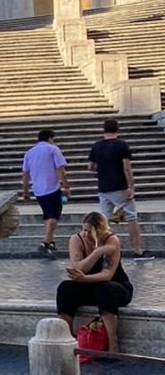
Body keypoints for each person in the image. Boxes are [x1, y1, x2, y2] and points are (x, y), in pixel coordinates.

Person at [56, 211, 133, 353]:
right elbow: (79, 268)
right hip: (90, 286)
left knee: (104, 288)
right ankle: (65, 336)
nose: (84, 234)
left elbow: (107, 275)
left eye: (88, 231)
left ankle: (113, 343)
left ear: (98, 231)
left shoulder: (112, 240)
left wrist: (84, 278)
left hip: (117, 287)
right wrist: (96, 253)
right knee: (65, 288)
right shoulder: (76, 240)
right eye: (83, 229)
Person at [88, 118, 150, 260]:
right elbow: (126, 167)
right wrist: (131, 186)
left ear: (103, 130)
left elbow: (90, 167)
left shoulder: (96, 146)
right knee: (131, 218)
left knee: (105, 221)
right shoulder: (121, 145)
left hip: (103, 188)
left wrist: (103, 168)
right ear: (117, 129)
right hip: (120, 187)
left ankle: (102, 252)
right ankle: (138, 251)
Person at [22, 129, 71, 258]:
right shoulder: (53, 149)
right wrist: (65, 185)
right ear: (50, 138)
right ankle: (45, 242)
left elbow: (25, 173)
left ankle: (50, 241)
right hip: (52, 187)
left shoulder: (29, 153)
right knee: (54, 215)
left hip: (38, 189)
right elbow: (60, 168)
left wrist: (25, 191)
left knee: (47, 215)